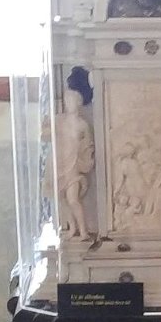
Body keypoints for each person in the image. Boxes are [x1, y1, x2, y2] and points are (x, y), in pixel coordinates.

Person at [54, 66, 96, 240]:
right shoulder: (60, 120)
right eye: (66, 99)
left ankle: (84, 230)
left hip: (74, 166)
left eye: (71, 100)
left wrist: (87, 159)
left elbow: (89, 146)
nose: (67, 103)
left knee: (73, 199)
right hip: (61, 163)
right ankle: (72, 228)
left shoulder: (82, 124)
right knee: (62, 199)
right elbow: (46, 132)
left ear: (78, 102)